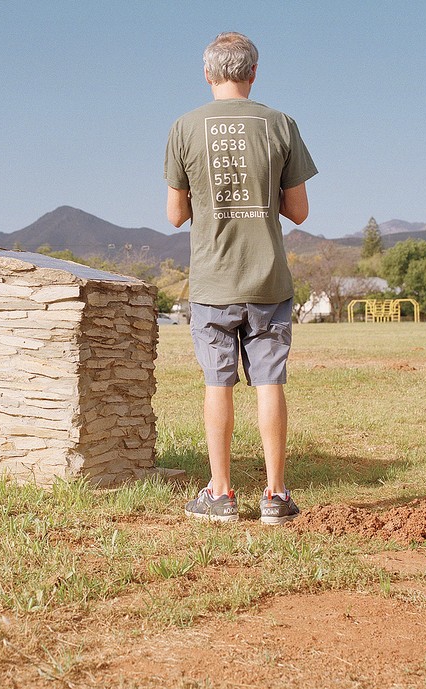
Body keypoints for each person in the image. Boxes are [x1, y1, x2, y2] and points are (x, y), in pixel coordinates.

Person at [164, 32, 317, 525]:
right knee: (270, 382)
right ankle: (274, 496)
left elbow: (174, 215)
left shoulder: (183, 128)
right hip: (268, 279)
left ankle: (221, 494)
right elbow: (299, 211)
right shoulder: (280, 124)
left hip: (213, 281)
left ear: (208, 74)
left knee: (218, 383)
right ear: (253, 73)